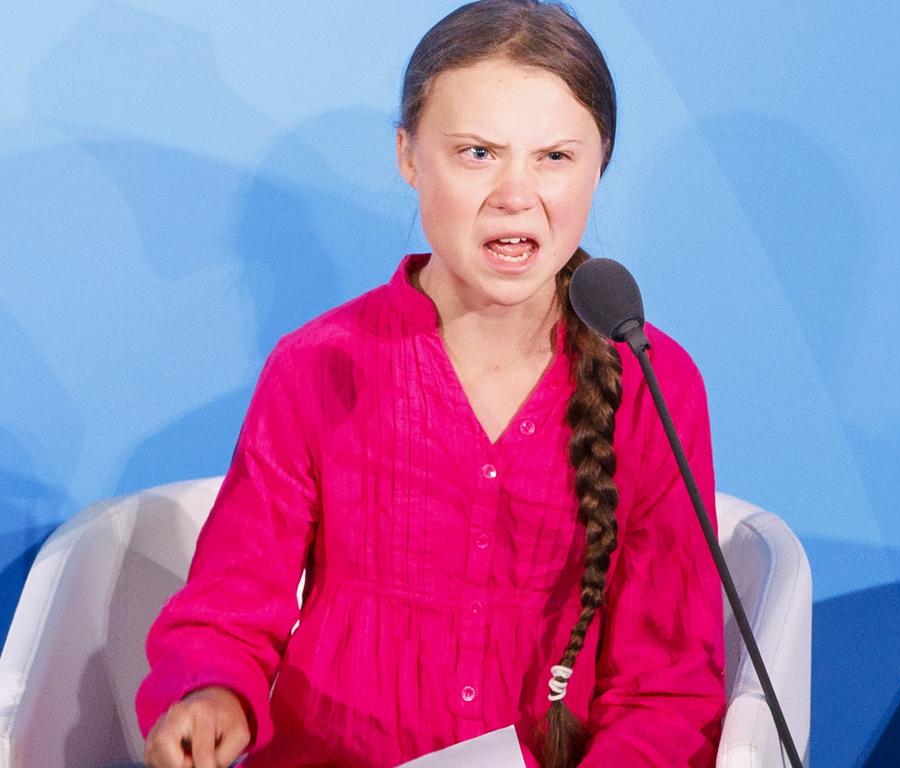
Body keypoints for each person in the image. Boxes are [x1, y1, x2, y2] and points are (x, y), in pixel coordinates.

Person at [137, 1, 725, 766]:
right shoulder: (315, 364)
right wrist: (212, 693)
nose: (517, 194)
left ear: (600, 162)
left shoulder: (652, 380)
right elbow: (228, 611)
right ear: (409, 156)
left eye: (554, 157)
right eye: (478, 153)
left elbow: (670, 689)